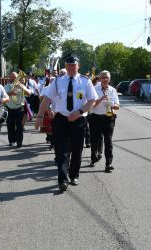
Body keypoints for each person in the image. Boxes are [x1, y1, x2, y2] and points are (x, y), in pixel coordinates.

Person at [35, 53, 97, 191]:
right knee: (61, 151)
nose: (71, 67)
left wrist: (79, 113)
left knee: (77, 150)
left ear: (78, 66)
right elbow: (47, 99)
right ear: (65, 66)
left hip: (78, 119)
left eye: (73, 65)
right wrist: (39, 117)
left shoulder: (85, 81)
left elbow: (92, 100)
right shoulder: (57, 81)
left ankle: (74, 175)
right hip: (61, 119)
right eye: (68, 65)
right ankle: (62, 179)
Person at [88, 70, 119, 172]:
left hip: (108, 118)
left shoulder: (113, 90)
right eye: (103, 77)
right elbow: (91, 106)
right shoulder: (94, 89)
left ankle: (108, 163)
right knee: (94, 140)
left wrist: (112, 105)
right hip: (96, 117)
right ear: (99, 79)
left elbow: (117, 105)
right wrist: (101, 99)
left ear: (109, 79)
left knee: (108, 141)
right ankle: (93, 158)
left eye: (107, 77)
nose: (105, 79)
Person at [4, 71, 31, 148]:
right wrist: (10, 93)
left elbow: (29, 94)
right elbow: (3, 94)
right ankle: (12, 140)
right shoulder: (7, 86)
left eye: (15, 77)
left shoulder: (21, 86)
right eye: (12, 77)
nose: (13, 79)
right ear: (10, 78)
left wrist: (22, 89)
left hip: (20, 108)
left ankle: (19, 142)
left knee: (19, 126)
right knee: (10, 125)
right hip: (10, 108)